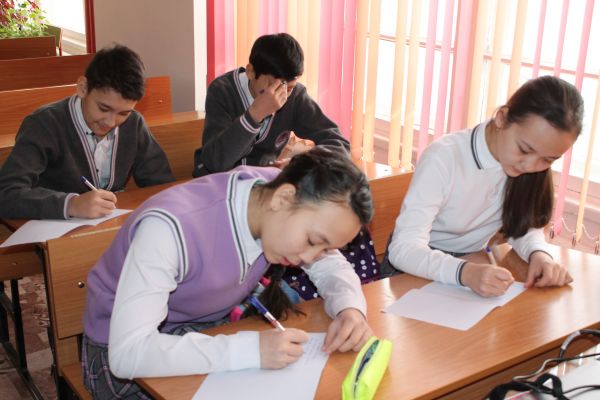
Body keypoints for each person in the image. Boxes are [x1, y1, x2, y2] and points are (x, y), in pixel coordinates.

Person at [82, 147, 374, 399]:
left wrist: (349, 308)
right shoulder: (169, 228)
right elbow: (129, 354)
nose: (310, 257)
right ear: (283, 199)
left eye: (325, 247)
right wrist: (248, 351)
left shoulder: (276, 197)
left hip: (207, 330)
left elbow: (330, 264)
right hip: (121, 350)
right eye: (312, 241)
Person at [383, 76, 584, 297]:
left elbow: (522, 226)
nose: (530, 166)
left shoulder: (522, 165)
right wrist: (464, 272)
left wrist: (539, 255)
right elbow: (404, 249)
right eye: (525, 150)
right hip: (416, 268)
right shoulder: (445, 157)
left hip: (471, 265)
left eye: (548, 159)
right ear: (502, 118)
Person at [0, 44, 174, 220]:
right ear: (83, 88)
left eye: (123, 113)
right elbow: (6, 193)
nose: (111, 122)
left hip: (107, 225)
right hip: (53, 229)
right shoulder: (44, 124)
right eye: (103, 108)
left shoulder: (133, 124)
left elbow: (162, 185)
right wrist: (71, 204)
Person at [192, 32, 349, 177]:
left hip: (263, 183)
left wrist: (299, 164)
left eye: (289, 87)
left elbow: (338, 143)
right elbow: (215, 163)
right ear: (251, 72)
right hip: (218, 181)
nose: (281, 94)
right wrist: (255, 115)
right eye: (273, 85)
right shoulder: (222, 90)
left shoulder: (295, 96)